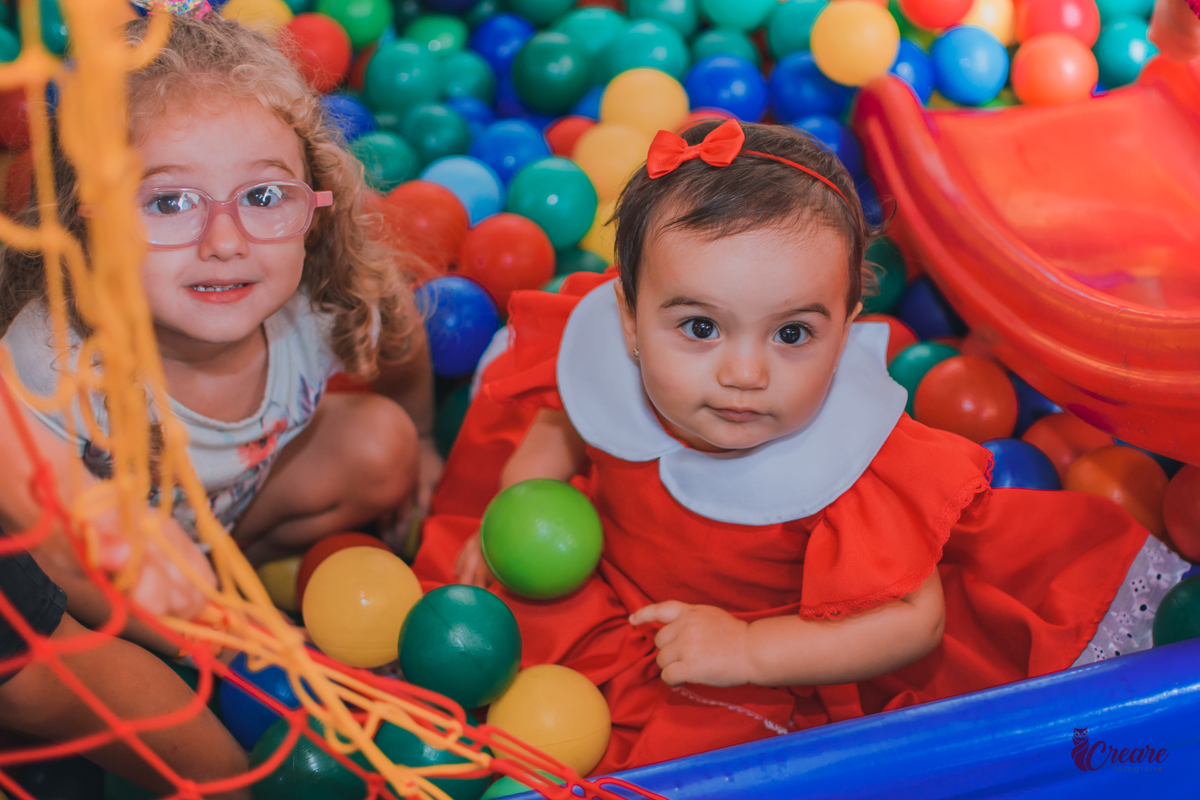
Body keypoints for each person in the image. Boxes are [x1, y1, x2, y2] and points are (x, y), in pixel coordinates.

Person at [420, 120, 1188, 774]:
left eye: (792, 334)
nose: (745, 373)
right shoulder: (608, 370)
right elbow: (559, 431)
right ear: (628, 319)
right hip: (609, 593)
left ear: (847, 329)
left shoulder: (850, 460)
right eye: (700, 327)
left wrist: (751, 651)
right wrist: (507, 515)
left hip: (779, 645)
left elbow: (914, 621)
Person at [0, 11, 437, 794]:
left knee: (385, 444)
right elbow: (54, 551)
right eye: (170, 203)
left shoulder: (321, 303)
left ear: (314, 205)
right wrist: (221, 636)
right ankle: (214, 622)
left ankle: (239, 575)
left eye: (264, 195)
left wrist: (430, 436)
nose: (225, 242)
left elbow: (400, 335)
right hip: (110, 570)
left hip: (232, 512)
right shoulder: (52, 361)